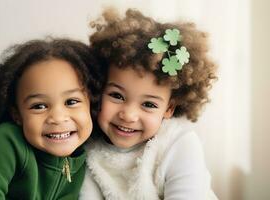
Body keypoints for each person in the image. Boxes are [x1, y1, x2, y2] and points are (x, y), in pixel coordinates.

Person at [0, 38, 103, 199]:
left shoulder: (85, 155)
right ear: (17, 114)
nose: (58, 118)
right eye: (39, 106)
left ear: (91, 102)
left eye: (71, 102)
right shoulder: (7, 141)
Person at [79, 8, 218, 200]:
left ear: (169, 108)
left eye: (149, 105)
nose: (128, 115)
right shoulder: (88, 147)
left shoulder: (179, 144)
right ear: (99, 88)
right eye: (117, 96)